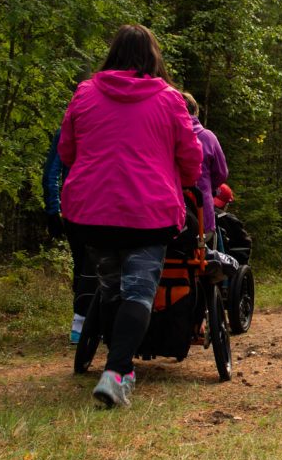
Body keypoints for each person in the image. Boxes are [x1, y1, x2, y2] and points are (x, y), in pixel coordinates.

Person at [59, 24, 202, 408]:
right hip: (148, 210)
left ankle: (115, 365)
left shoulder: (85, 93)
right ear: (153, 56)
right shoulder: (170, 99)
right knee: (139, 290)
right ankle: (118, 372)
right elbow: (190, 156)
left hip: (91, 210)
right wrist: (182, 181)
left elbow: (67, 150)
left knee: (110, 287)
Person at [42, 129, 98, 344]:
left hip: (73, 208)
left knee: (81, 263)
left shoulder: (69, 128)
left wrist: (52, 210)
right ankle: (92, 323)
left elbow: (51, 173)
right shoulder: (111, 124)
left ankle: (80, 323)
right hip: (106, 204)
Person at [182, 92, 229, 247]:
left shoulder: (165, 136)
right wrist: (209, 187)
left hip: (165, 216)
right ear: (195, 112)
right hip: (202, 215)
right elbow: (221, 173)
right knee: (209, 242)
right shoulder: (207, 137)